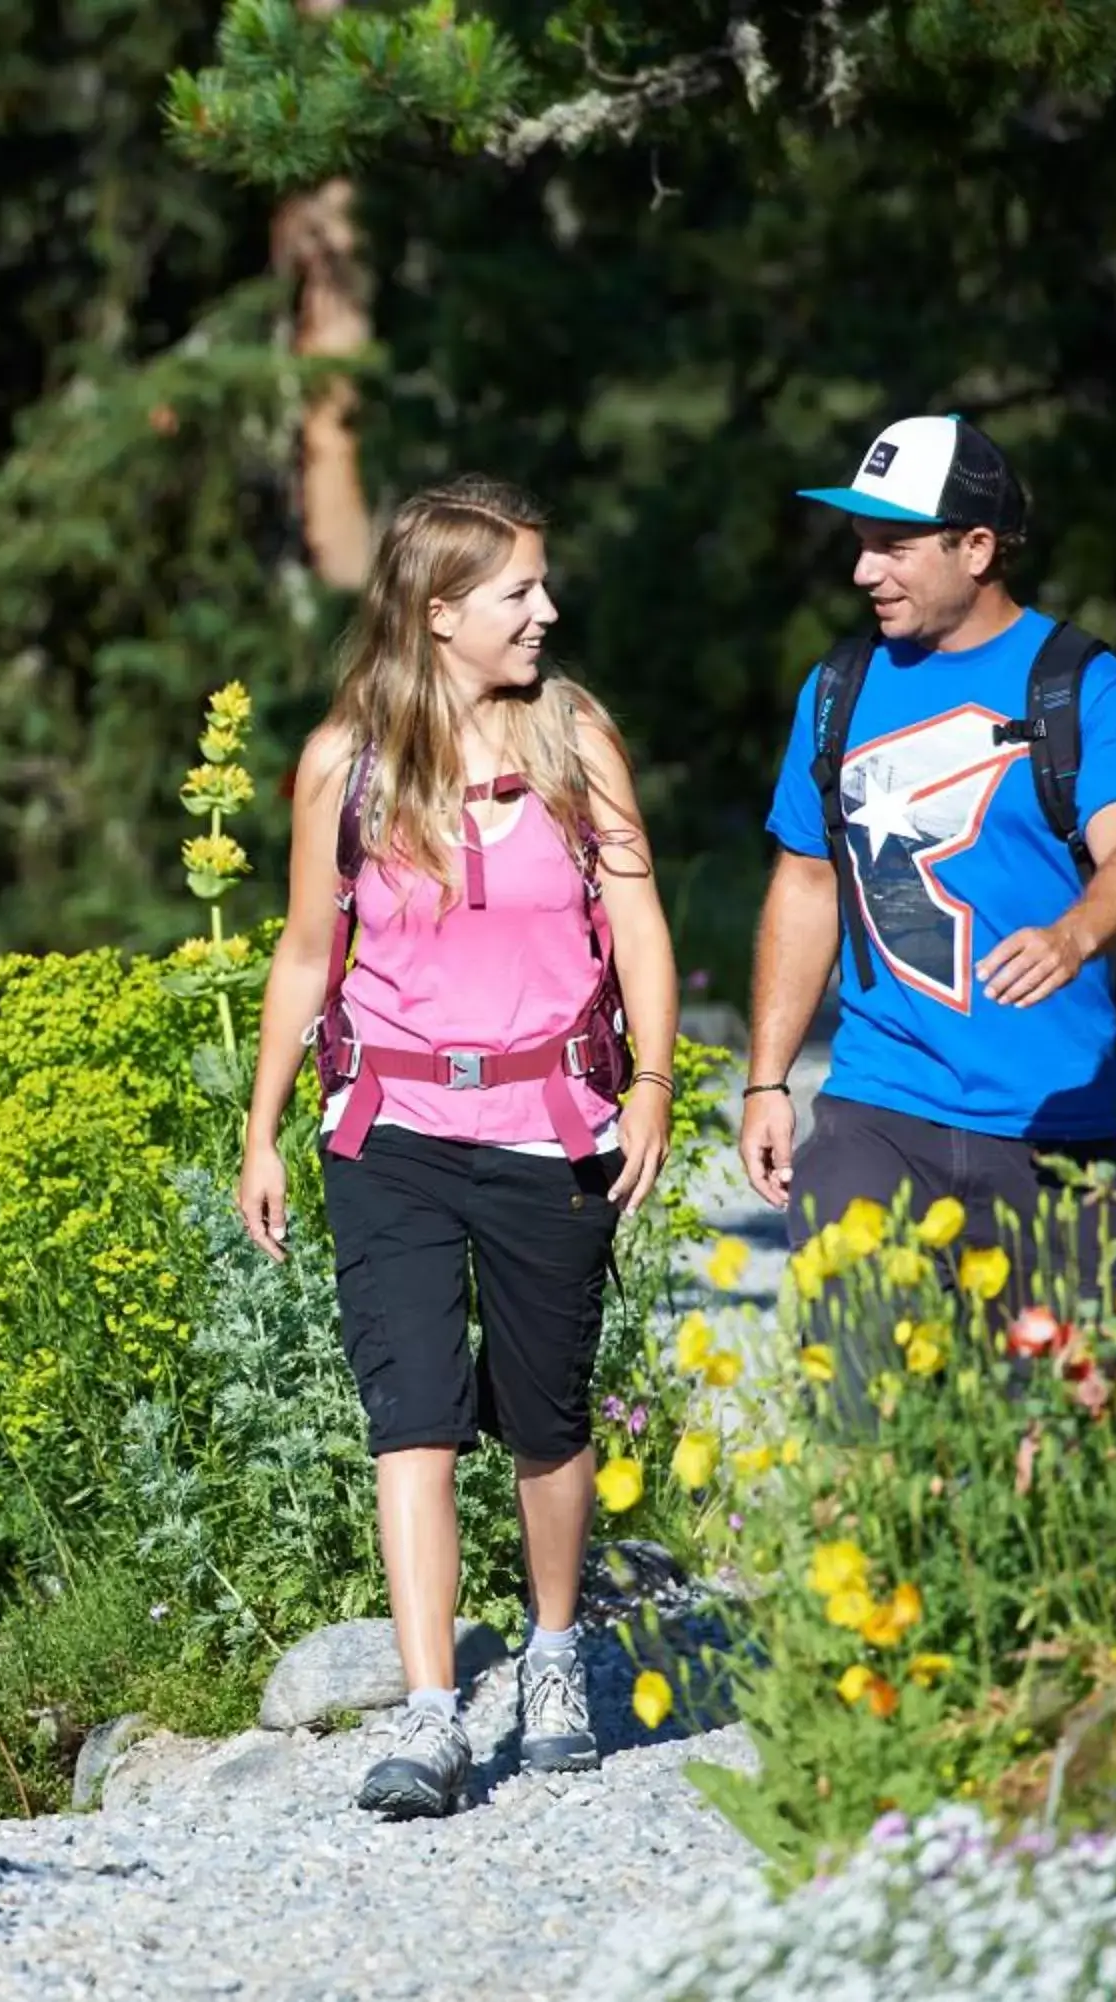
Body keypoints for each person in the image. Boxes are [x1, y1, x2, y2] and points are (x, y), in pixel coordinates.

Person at [238, 475, 680, 1819]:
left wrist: (653, 1082)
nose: (547, 611)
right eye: (519, 592)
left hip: (552, 1125)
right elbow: (309, 952)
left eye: (543, 586)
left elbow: (644, 926)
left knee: (547, 1412)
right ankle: (433, 1713)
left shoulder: (576, 739)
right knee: (412, 1415)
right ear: (439, 614)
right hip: (393, 1133)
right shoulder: (345, 760)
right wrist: (261, 1129)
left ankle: (554, 1656)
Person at [742, 414, 1116, 1335]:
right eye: (860, 546)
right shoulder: (837, 690)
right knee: (860, 1405)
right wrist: (767, 1080)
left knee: (1063, 1438)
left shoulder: (1081, 685)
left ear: (976, 547)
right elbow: (808, 883)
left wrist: (1075, 933)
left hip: (1058, 1123)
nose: (864, 572)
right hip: (881, 1108)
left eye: (892, 547)